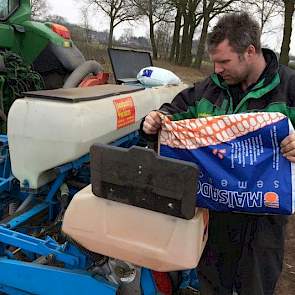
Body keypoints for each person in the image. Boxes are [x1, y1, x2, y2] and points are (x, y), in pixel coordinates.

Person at [141, 12, 295, 295]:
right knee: (211, 284)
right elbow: (173, 114)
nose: (217, 68)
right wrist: (154, 120)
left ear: (250, 51)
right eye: (214, 61)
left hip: (263, 221)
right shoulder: (208, 89)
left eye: (224, 61)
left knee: (256, 287)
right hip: (214, 214)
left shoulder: (289, 87)